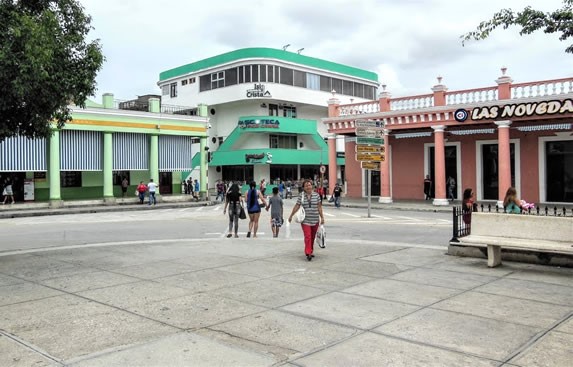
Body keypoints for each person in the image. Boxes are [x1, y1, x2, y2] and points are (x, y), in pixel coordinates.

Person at [288, 179, 325, 261]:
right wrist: (291, 215)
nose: (308, 187)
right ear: (304, 188)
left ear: (312, 186)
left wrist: (322, 217)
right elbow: (297, 206)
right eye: (306, 185)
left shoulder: (317, 195)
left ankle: (310, 250)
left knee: (312, 237)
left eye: (309, 185)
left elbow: (319, 207)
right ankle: (308, 252)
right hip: (305, 220)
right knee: (307, 236)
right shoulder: (301, 196)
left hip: (315, 219)